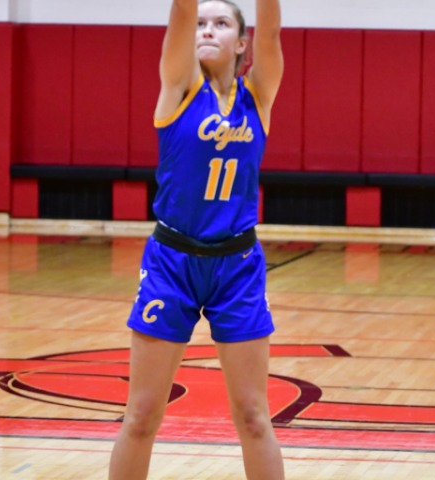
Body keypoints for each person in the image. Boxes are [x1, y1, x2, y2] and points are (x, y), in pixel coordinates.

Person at [108, 0, 284, 478]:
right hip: (172, 262)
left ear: (241, 43)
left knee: (254, 416)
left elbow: (271, 34)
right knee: (142, 415)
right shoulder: (179, 86)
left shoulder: (258, 95)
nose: (207, 30)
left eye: (221, 24)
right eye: (201, 24)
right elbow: (181, 14)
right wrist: (188, 16)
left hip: (237, 266)